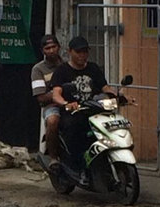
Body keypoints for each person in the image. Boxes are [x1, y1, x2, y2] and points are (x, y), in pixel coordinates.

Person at [50, 36, 118, 169]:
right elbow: (56, 94)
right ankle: (76, 165)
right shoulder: (62, 71)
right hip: (74, 112)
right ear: (70, 52)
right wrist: (66, 104)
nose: (82, 55)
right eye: (78, 52)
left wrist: (119, 96)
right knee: (74, 130)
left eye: (85, 52)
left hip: (93, 110)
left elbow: (106, 88)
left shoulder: (93, 68)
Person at [31, 34, 63, 171]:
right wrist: (58, 96)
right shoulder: (38, 70)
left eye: (53, 47)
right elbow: (41, 96)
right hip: (52, 107)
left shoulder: (67, 65)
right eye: (47, 48)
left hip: (73, 105)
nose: (51, 50)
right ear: (43, 51)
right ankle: (53, 157)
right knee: (52, 121)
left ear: (59, 47)